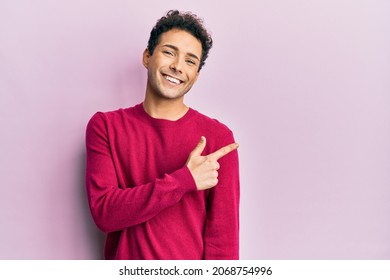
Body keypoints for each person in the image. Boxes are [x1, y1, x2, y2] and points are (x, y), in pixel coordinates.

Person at [85, 10, 240, 260]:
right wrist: (183, 180)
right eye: (169, 52)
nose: (178, 66)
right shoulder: (105, 126)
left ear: (196, 75)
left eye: (191, 61)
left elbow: (223, 241)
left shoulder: (218, 138)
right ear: (148, 57)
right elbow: (104, 214)